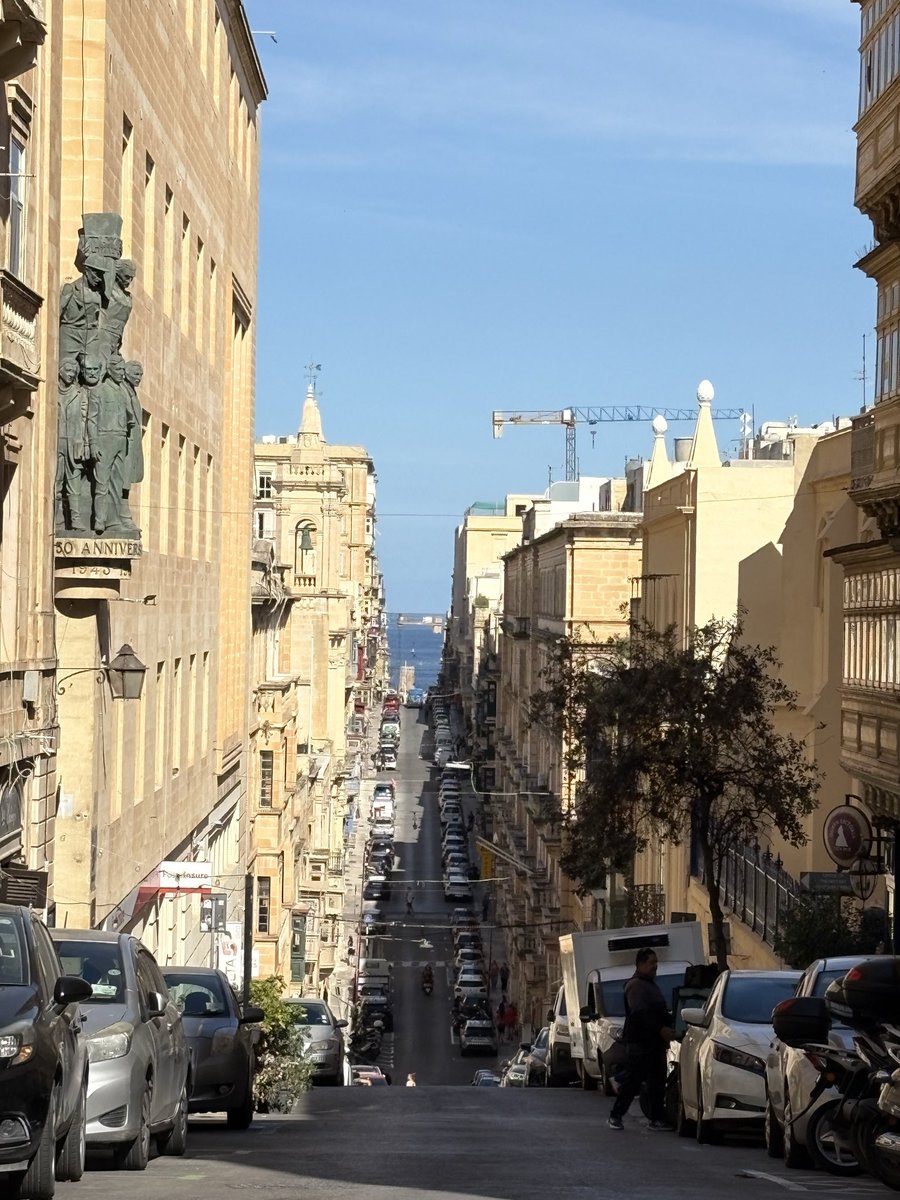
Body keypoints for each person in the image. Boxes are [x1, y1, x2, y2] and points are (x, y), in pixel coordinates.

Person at [607, 947, 675, 1131]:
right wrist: (660, 1029)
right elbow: (640, 1014)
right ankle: (615, 1115)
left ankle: (656, 1119)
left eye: (656, 963)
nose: (655, 966)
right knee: (633, 1082)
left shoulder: (650, 985)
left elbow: (659, 1012)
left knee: (656, 1083)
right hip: (640, 1043)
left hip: (654, 1044)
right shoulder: (636, 986)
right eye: (652, 962)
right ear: (641, 964)